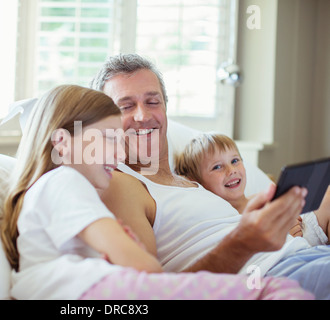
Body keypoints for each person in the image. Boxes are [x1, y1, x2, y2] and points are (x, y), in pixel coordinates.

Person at [0, 84, 312, 300]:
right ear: (61, 142)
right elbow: (143, 268)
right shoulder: (64, 180)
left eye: (119, 142)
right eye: (106, 139)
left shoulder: (52, 195)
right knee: (273, 289)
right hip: (104, 290)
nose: (118, 155)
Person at [90, 53, 330, 299]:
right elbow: (154, 292)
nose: (143, 115)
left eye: (153, 102)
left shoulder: (191, 179)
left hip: (306, 254)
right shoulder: (121, 184)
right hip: (274, 276)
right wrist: (244, 241)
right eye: (126, 106)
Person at [174, 132, 329, 246]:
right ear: (197, 182)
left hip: (303, 230)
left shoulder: (260, 198)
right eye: (217, 167)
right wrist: (286, 237)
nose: (231, 170)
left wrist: (293, 218)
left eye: (235, 161)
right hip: (284, 247)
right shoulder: (223, 219)